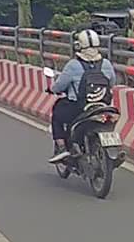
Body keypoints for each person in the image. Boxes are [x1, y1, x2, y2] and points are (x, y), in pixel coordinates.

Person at [48, 29, 117, 163]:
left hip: (79, 108)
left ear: (79, 45)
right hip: (102, 107)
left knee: (57, 112)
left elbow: (59, 86)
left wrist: (52, 89)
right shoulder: (106, 64)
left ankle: (62, 148)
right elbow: (112, 83)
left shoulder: (73, 65)